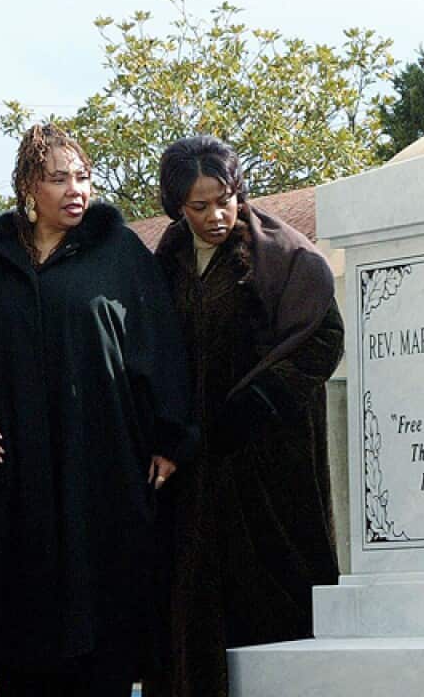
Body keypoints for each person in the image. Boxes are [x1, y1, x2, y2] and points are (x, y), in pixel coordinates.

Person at [0, 124, 196, 697]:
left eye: (83, 177)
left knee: (105, 627)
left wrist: (170, 436)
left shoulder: (120, 255)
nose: (76, 190)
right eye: (59, 178)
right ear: (28, 186)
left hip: (102, 469)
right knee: (24, 629)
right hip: (16, 481)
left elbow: (161, 343)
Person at [145, 135, 344, 697]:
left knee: (271, 607)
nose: (217, 215)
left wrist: (256, 405)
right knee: (192, 612)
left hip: (267, 470)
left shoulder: (283, 257)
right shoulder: (170, 260)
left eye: (225, 198)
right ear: (177, 207)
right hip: (190, 469)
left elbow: (323, 338)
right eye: (199, 206)